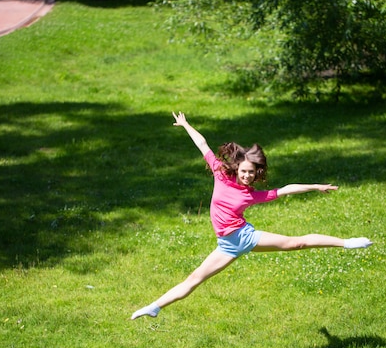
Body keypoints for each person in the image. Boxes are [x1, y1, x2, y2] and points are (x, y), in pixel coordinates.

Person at [131, 112, 373, 320]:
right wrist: (185, 125)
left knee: (296, 243)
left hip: (244, 236)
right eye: (244, 171)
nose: (247, 176)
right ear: (237, 169)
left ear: (257, 173)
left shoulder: (252, 195)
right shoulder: (220, 174)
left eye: (252, 173)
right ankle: (155, 307)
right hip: (225, 245)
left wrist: (315, 187)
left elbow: (285, 189)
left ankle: (348, 243)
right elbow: (203, 145)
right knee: (194, 279)